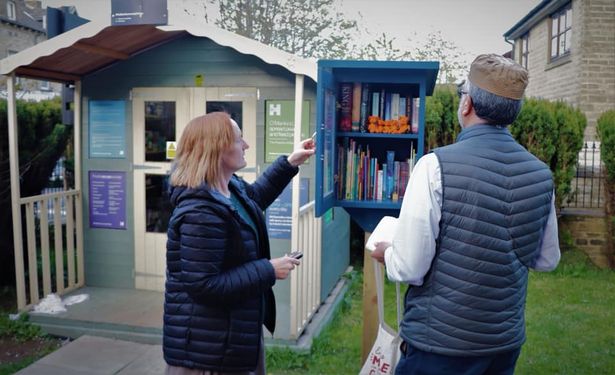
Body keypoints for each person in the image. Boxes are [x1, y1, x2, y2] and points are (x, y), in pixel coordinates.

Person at [371, 54, 561, 375]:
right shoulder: (541, 175)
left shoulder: (434, 166)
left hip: (438, 348)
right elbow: (545, 260)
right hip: (502, 347)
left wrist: (388, 253)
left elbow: (409, 267)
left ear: (467, 105)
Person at [163, 112, 315, 374]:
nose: (246, 145)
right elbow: (203, 285)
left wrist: (290, 163)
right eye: (238, 139)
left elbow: (253, 199)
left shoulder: (228, 187)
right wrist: (268, 270)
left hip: (229, 337)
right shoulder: (200, 211)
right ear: (217, 149)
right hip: (206, 353)